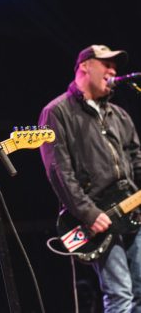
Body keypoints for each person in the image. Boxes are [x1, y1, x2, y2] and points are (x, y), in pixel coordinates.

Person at [39, 44, 141, 312]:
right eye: (106, 64)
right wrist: (88, 212)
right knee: (120, 295)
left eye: (115, 67)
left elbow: (136, 160)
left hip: (132, 210)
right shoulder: (57, 112)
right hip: (98, 216)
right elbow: (58, 170)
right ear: (85, 66)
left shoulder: (119, 115)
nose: (112, 71)